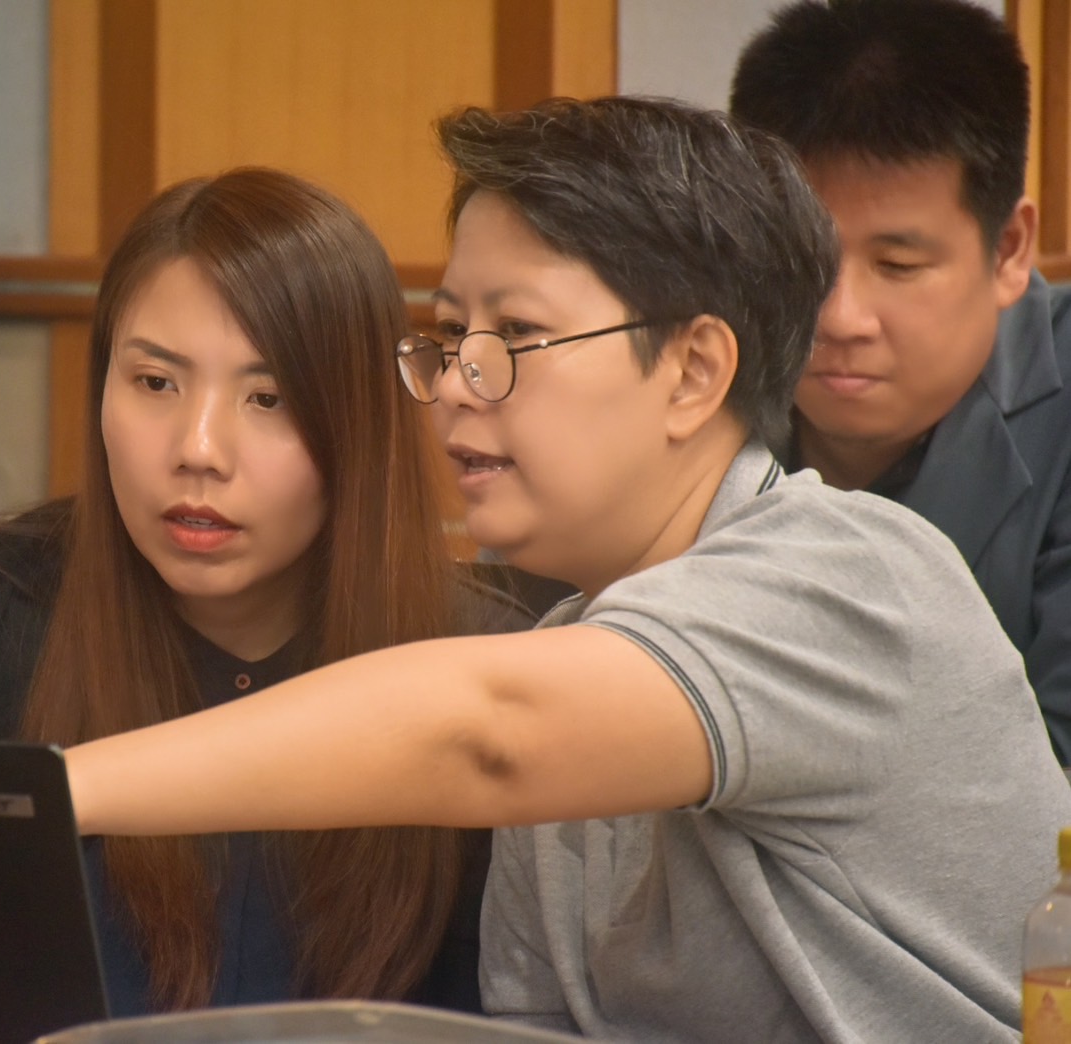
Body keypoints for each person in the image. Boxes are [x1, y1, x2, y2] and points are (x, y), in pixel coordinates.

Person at [63, 98, 1071, 1041]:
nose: (459, 385)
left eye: (517, 335)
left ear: (693, 372)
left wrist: (62, 788)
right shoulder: (568, 651)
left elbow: (487, 730)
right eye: (452, 334)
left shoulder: (851, 577)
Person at [0, 168, 531, 1016]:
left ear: (358, 426)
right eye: (155, 383)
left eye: (268, 397)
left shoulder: (490, 667)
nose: (199, 449)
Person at [730, 0, 1071, 761]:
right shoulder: (687, 375)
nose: (840, 318)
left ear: (1009, 250)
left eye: (898, 265)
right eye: (802, 262)